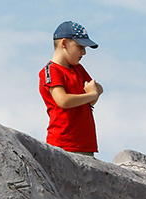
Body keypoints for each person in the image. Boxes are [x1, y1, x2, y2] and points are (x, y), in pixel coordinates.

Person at [40, 21, 103, 155]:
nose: (84, 52)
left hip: (86, 145)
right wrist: (93, 94)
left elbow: (89, 101)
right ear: (64, 43)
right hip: (63, 145)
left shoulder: (79, 69)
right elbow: (63, 101)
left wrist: (95, 92)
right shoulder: (52, 70)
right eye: (80, 47)